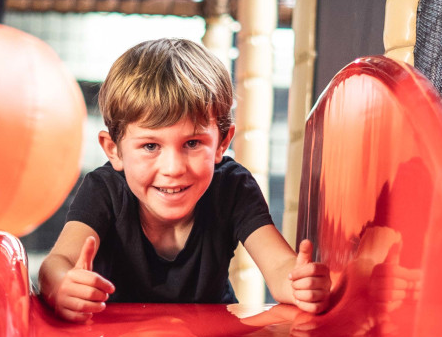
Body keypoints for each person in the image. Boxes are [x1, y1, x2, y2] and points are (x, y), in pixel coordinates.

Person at [37, 38, 332, 322]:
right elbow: (57, 262)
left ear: (221, 143)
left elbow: (279, 265)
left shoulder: (232, 188)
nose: (173, 168)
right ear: (113, 150)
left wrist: (297, 283)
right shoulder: (104, 190)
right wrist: (64, 286)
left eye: (192, 143)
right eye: (151, 146)